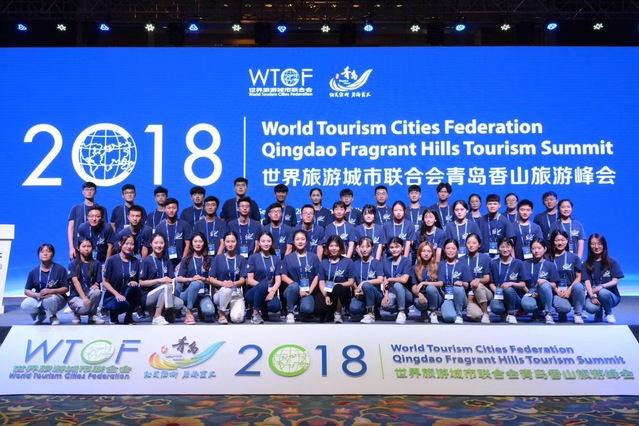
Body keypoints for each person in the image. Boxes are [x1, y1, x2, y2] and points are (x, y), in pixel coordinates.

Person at [139, 233, 185, 325]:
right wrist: (159, 280)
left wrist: (171, 281)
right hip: (148, 296)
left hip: (164, 293)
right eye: (156, 243)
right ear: (151, 244)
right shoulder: (146, 261)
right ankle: (157, 316)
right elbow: (141, 283)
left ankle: (163, 313)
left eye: (161, 243)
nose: (159, 245)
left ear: (164, 244)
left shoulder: (167, 260)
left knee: (179, 303)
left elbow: (172, 279)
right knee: (166, 286)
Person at [21, 243, 68, 325]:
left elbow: (66, 288)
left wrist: (51, 291)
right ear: (38, 255)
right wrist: (37, 295)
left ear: (53, 254)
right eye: (42, 252)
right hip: (39, 297)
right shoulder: (33, 272)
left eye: (48, 251)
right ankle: (40, 314)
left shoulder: (60, 269)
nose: (45, 254)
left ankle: (53, 316)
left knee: (50, 299)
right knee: (25, 304)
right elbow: (26, 290)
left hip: (56, 298)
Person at [281, 230, 322, 323]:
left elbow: (317, 275)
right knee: (294, 286)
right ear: (293, 242)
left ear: (306, 241)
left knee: (308, 309)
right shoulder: (288, 258)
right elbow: (283, 276)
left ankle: (300, 310)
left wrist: (310, 290)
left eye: (303, 239)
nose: (300, 242)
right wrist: (299, 289)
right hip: (292, 291)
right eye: (297, 239)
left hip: (307, 291)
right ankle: (290, 311)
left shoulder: (313, 257)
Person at [583, 233, 623, 323]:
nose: (596, 247)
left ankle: (609, 313)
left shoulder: (612, 262)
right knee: (589, 308)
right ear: (589, 246)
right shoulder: (586, 264)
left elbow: (615, 281)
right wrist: (592, 296)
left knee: (602, 293)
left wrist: (602, 286)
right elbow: (587, 282)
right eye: (593, 244)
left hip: (611, 296)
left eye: (599, 244)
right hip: (593, 295)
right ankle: (598, 311)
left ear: (604, 245)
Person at [176, 232, 215, 324]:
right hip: (187, 294)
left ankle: (200, 310)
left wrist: (203, 279)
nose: (198, 244)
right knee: (195, 283)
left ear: (204, 243)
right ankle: (189, 312)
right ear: (191, 243)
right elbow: (179, 278)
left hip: (202, 294)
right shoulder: (186, 259)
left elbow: (213, 280)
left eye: (200, 241)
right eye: (195, 241)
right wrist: (191, 279)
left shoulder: (209, 259)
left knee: (210, 312)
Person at [102, 235, 142, 324]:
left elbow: (138, 280)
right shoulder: (112, 260)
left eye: (132, 244)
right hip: (113, 296)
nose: (129, 246)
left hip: (127, 294)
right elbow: (105, 282)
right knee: (122, 303)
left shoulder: (136, 261)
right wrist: (116, 294)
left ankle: (128, 317)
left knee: (135, 289)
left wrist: (134, 282)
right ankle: (113, 315)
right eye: (126, 243)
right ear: (120, 244)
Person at [489, 237, 530, 324]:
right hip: (499, 295)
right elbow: (491, 283)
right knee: (495, 307)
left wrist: (511, 283)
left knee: (508, 289)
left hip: (515, 297)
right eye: (502, 247)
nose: (505, 249)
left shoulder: (519, 263)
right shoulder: (493, 263)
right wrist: (496, 290)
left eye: (508, 247)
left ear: (512, 248)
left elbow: (523, 284)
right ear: (498, 248)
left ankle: (511, 314)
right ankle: (504, 313)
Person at [210, 231, 247, 324]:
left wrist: (233, 283)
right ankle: (222, 313)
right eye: (227, 241)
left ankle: (230, 311)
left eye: (233, 241)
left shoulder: (241, 259)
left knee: (237, 319)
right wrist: (223, 284)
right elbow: (211, 278)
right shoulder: (218, 258)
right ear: (224, 243)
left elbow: (243, 279)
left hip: (236, 294)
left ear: (237, 242)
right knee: (226, 289)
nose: (230, 244)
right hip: (221, 293)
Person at [520, 238, 560, 324]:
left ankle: (548, 313)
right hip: (530, 292)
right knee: (527, 305)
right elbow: (522, 284)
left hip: (544, 293)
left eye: (539, 248)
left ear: (545, 249)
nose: (536, 251)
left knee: (545, 285)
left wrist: (546, 282)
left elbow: (554, 285)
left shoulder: (550, 265)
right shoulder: (525, 264)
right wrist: (530, 293)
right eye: (533, 248)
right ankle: (535, 311)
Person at [245, 232, 283, 324]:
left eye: (268, 241)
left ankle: (261, 310)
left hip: (269, 292)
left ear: (272, 243)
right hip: (253, 293)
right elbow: (249, 280)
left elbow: (278, 280)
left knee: (276, 306)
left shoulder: (276, 259)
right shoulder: (253, 258)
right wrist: (265, 287)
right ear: (259, 243)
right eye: (263, 241)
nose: (266, 244)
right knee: (263, 285)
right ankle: (255, 314)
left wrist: (272, 291)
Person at [549, 229, 585, 323]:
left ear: (567, 240)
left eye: (562, 240)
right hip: (556, 291)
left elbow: (579, 277)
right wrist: (556, 290)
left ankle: (578, 314)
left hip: (571, 289)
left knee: (579, 286)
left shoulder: (574, 257)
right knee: (564, 308)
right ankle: (562, 312)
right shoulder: (548, 258)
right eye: (557, 240)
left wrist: (569, 289)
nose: (560, 243)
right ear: (553, 241)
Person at [317, 235, 354, 323]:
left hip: (342, 291)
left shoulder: (348, 261)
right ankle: (330, 312)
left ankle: (338, 312)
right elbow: (321, 282)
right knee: (320, 311)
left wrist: (336, 284)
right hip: (327, 291)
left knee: (338, 288)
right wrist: (326, 296)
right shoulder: (323, 262)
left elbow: (351, 282)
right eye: (331, 246)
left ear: (340, 247)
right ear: (327, 247)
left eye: (336, 246)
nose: (334, 248)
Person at [67, 238, 104, 324]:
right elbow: (75, 282)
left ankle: (92, 316)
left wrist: (96, 285)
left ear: (92, 248)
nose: (86, 249)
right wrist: (84, 298)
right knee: (83, 307)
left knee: (97, 292)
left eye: (89, 246)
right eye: (84, 246)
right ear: (78, 248)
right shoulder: (73, 264)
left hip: (89, 294)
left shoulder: (97, 263)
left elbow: (97, 281)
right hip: (75, 297)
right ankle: (77, 314)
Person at [67, 181, 107, 260]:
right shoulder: (76, 208)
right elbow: (71, 228)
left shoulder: (101, 209)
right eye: (87, 190)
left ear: (95, 192)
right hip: (78, 246)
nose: (89, 192)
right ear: (82, 192)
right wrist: (71, 247)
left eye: (91, 189)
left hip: (96, 247)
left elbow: (105, 228)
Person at [435, 239, 471, 324]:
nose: (450, 251)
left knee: (458, 288)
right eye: (448, 248)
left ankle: (459, 315)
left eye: (453, 248)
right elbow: (439, 283)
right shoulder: (441, 264)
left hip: (460, 297)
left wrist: (462, 283)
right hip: (447, 297)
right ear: (444, 250)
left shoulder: (463, 264)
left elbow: (467, 284)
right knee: (449, 317)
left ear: (457, 250)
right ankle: (450, 311)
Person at [349, 237, 384, 324]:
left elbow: (380, 280)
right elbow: (353, 281)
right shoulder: (355, 264)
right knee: (353, 308)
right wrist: (356, 289)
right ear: (358, 248)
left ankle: (370, 313)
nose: (364, 249)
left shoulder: (377, 262)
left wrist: (364, 283)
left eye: (367, 247)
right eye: (362, 247)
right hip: (361, 294)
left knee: (366, 285)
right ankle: (372, 311)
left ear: (372, 247)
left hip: (376, 295)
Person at [381, 237, 413, 324]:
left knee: (397, 285)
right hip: (392, 292)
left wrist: (391, 279)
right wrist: (386, 295)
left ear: (402, 248)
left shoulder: (406, 261)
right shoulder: (386, 262)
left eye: (397, 247)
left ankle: (401, 311)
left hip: (406, 294)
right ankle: (404, 309)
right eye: (392, 247)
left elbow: (404, 279)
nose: (394, 250)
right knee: (385, 306)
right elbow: (385, 281)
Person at [463, 233, 492, 323]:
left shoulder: (485, 258)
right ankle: (480, 307)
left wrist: (478, 280)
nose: (471, 245)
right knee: (474, 315)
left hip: (484, 292)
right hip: (470, 295)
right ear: (465, 244)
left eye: (474, 243)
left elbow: (487, 278)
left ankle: (486, 313)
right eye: (468, 243)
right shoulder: (461, 260)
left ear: (479, 245)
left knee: (477, 285)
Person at [157, 198, 193, 267]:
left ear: (178, 209)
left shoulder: (185, 225)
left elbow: (188, 245)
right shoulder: (159, 227)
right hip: (164, 262)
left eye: (174, 208)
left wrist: (183, 262)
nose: (171, 210)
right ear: (164, 209)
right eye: (168, 208)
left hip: (181, 261)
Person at [411, 241, 441, 324]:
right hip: (422, 296)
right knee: (418, 301)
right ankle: (424, 312)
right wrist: (419, 294)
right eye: (423, 251)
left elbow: (440, 283)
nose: (426, 254)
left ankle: (433, 312)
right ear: (419, 253)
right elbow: (413, 286)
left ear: (432, 253)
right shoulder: (414, 268)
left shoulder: (438, 265)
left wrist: (424, 283)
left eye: (429, 251)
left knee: (430, 288)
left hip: (436, 297)